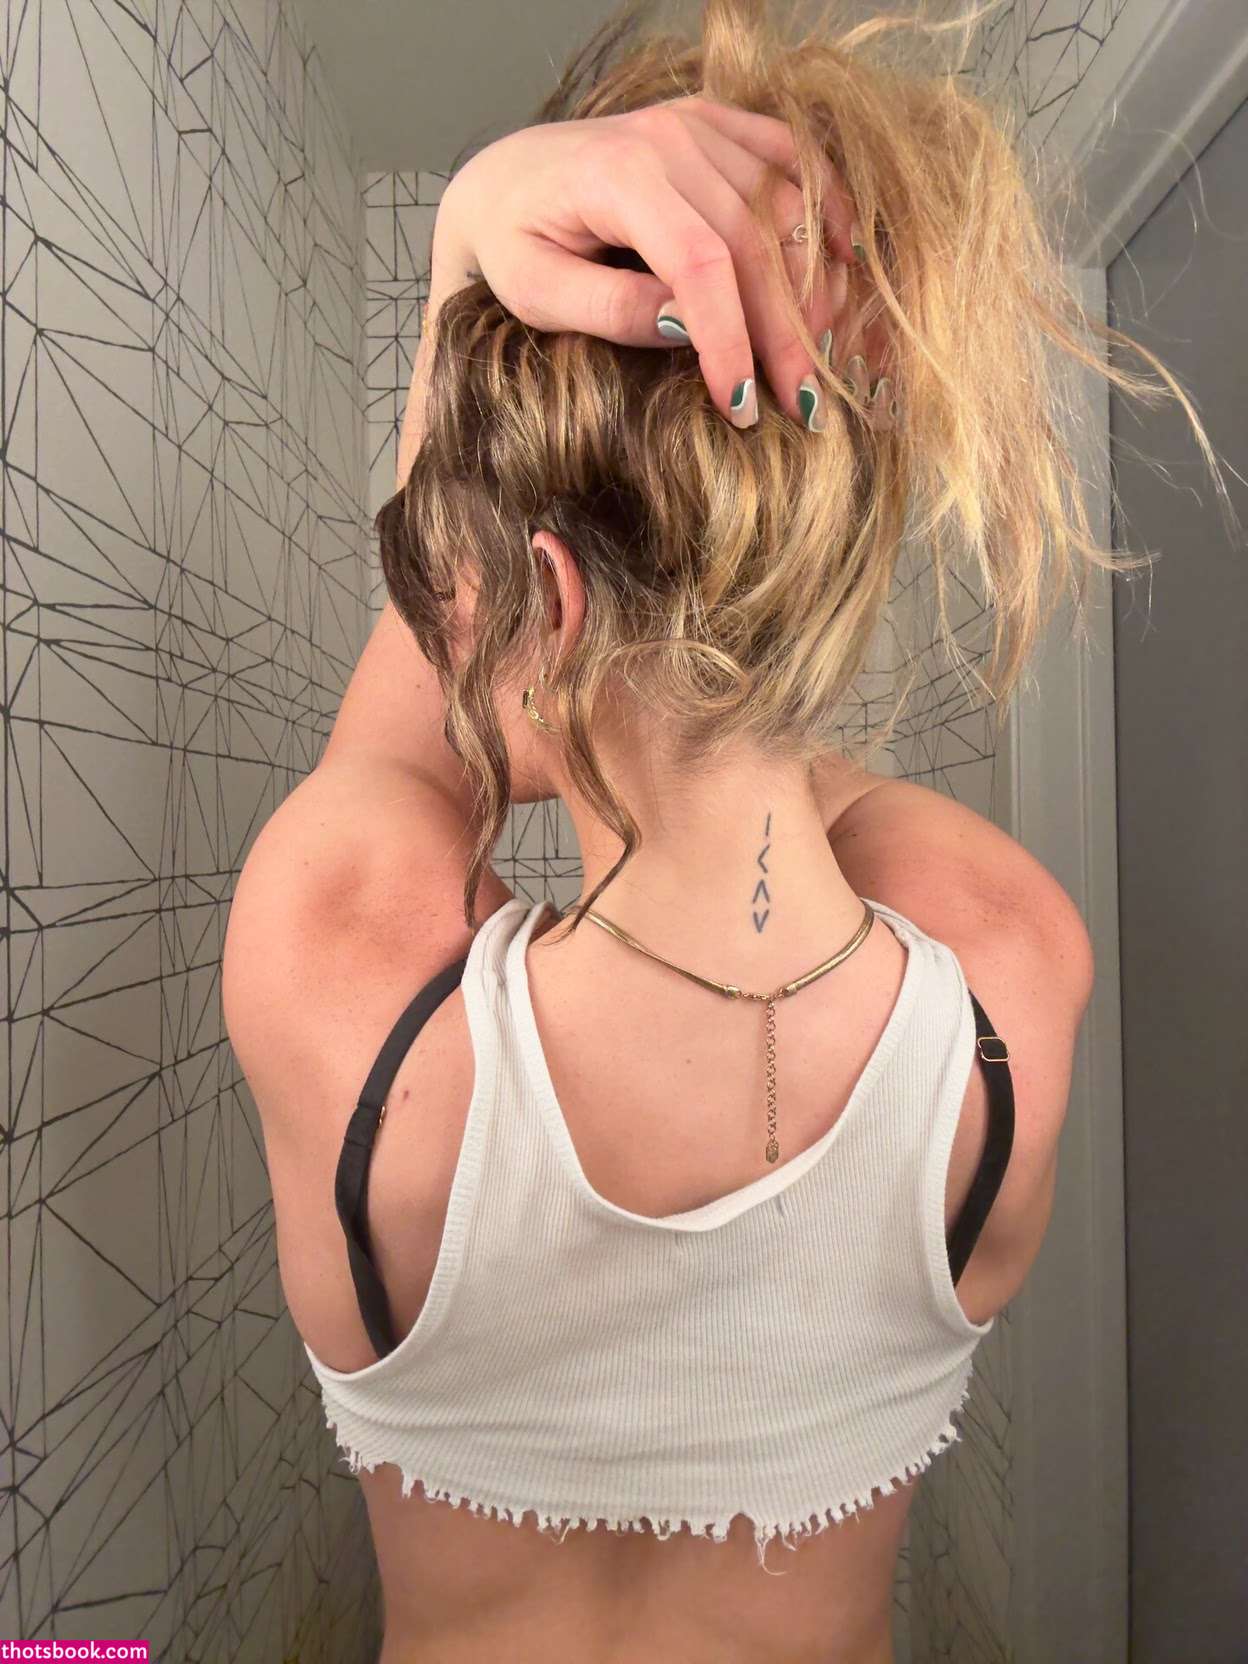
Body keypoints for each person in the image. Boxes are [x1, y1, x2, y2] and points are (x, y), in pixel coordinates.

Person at [222, 3, 1205, 1660]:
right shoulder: (1010, 978)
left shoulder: (341, 970)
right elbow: (725, 694)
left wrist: (469, 245)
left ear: (543, 602)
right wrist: (739, 610)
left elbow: (421, 704)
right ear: (814, 571)